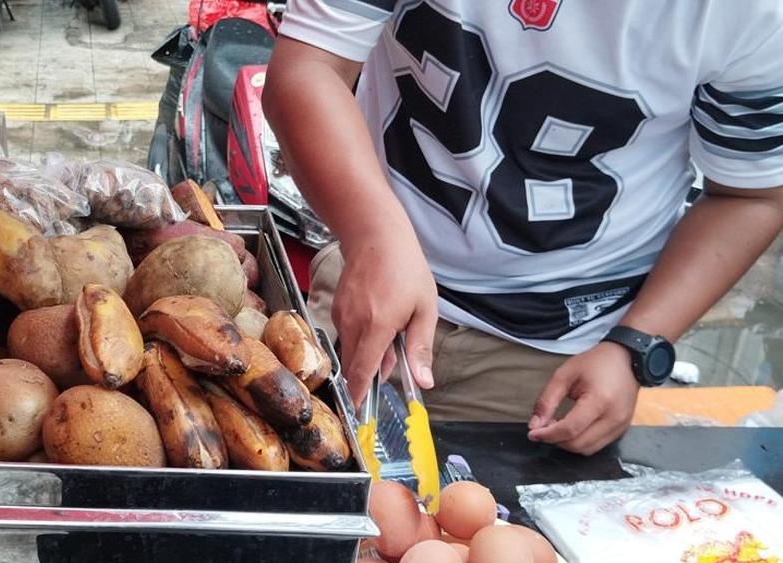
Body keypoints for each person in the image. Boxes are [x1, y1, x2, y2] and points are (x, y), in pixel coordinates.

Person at [263, 0, 783, 454]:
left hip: (561, 351)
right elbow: (308, 66)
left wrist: (635, 344)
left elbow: (751, 194)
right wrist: (373, 236)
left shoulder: (751, 13)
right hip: (371, 281)